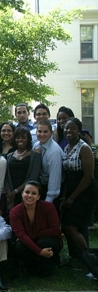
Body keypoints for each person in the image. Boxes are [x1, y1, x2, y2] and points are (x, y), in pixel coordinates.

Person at [60, 117, 98, 274]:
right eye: (67, 128)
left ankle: (91, 260)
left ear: (79, 130)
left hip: (85, 191)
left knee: (71, 226)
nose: (69, 131)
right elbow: (67, 175)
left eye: (73, 128)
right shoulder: (67, 148)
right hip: (72, 189)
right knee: (73, 226)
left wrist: (72, 198)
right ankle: (79, 260)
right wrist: (64, 196)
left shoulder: (84, 148)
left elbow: (88, 176)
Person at [10, 181, 62, 278]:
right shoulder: (14, 212)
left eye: (34, 193)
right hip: (28, 241)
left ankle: (47, 267)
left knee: (44, 241)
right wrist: (39, 251)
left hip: (47, 239)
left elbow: (55, 230)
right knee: (20, 245)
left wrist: (33, 234)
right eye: (27, 192)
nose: (30, 195)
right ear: (22, 194)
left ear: (38, 196)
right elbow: (21, 235)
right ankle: (31, 268)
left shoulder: (49, 207)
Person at [5, 127, 41, 210]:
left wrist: (15, 192)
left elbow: (33, 178)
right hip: (11, 196)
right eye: (17, 137)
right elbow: (6, 176)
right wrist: (10, 194)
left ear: (28, 139)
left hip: (28, 194)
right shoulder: (9, 156)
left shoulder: (35, 156)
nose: (20, 140)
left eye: (23, 137)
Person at [32, 120, 63, 202]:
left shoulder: (54, 151)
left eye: (45, 132)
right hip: (40, 187)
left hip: (52, 193)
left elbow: (54, 180)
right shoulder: (36, 145)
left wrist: (48, 201)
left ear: (51, 133)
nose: (42, 134)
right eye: (40, 131)